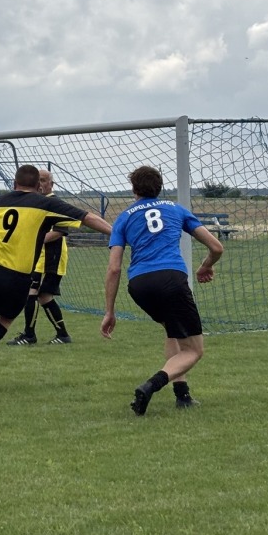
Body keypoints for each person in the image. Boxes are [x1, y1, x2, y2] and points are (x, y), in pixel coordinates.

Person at [0, 165, 112, 390]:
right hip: (19, 276)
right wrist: (117, 233)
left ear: (14, 184)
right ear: (38, 187)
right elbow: (87, 217)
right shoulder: (45, 204)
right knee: (4, 321)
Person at [101, 165, 224, 415]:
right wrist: (205, 266)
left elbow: (114, 268)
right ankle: (151, 386)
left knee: (172, 331)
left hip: (139, 284)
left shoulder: (124, 217)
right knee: (194, 349)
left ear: (134, 189)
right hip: (170, 279)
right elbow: (216, 247)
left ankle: (182, 395)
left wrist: (109, 312)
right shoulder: (176, 209)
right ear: (159, 188)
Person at [7, 170, 76, 346]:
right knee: (43, 297)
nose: (41, 184)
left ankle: (30, 335)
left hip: (50, 258)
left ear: (51, 184)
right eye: (39, 180)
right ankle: (61, 335)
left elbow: (60, 231)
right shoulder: (35, 203)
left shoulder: (55, 203)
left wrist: (32, 240)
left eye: (44, 180)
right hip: (38, 258)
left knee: (33, 294)